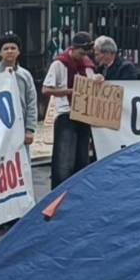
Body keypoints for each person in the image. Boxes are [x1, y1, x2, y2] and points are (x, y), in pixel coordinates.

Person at [43, 31, 97, 188]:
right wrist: (69, 91)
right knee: (64, 160)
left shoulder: (88, 66)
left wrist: (98, 80)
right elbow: (46, 90)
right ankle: (59, 193)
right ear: (73, 48)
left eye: (86, 53)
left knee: (82, 159)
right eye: (81, 53)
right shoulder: (59, 64)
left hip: (84, 115)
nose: (83, 56)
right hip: (66, 113)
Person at [0, 34, 39, 149]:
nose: (9, 51)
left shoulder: (25, 75)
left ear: (18, 52)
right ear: (0, 53)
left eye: (13, 48)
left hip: (20, 125)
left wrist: (30, 129)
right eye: (6, 49)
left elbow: (31, 102)